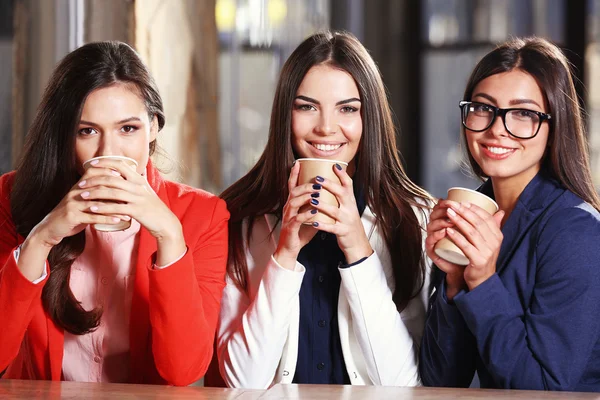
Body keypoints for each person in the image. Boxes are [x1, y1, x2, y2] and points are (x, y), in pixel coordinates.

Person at [0, 41, 229, 386]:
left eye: (128, 129)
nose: (108, 151)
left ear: (153, 127)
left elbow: (184, 371)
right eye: (87, 131)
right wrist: (43, 236)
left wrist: (169, 235)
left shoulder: (203, 215)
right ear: (65, 135)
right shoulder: (11, 196)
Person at [217, 30, 434, 389]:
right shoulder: (237, 216)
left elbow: (401, 384)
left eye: (347, 109)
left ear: (370, 119)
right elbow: (242, 382)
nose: (326, 128)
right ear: (285, 115)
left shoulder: (414, 219)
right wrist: (285, 253)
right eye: (307, 106)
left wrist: (358, 248)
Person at [420, 37, 600, 392]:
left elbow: (542, 390)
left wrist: (484, 282)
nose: (496, 129)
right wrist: (456, 282)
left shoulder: (576, 232)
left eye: (524, 113)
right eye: (483, 108)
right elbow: (440, 380)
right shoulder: (477, 212)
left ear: (554, 126)